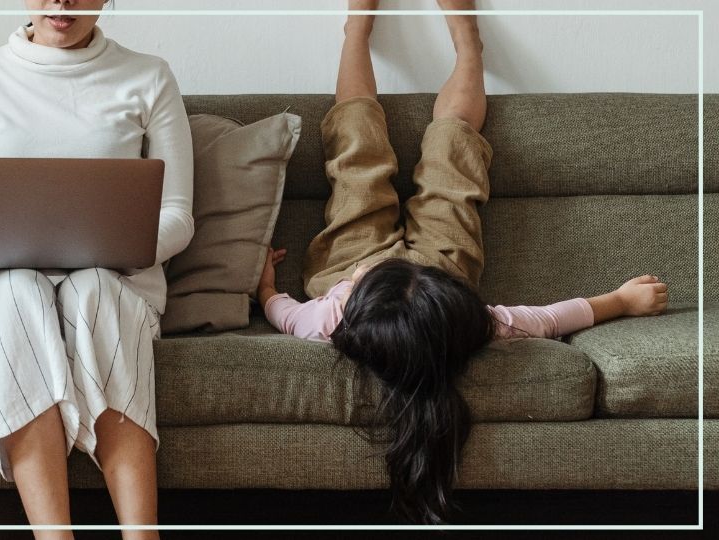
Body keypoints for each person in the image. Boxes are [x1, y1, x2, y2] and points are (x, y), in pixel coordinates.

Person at [257, 0, 670, 524]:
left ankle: (355, 33)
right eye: (372, 271)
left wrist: (265, 288)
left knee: (356, 150)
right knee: (454, 147)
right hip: (440, 272)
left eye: (368, 276)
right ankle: (468, 42)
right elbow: (549, 318)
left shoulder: (332, 317)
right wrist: (620, 300)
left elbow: (285, 314)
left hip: (352, 269)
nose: (376, 263)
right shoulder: (464, 320)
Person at [0, 1, 193, 538]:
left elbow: (178, 214)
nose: (63, 2)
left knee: (93, 291)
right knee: (22, 293)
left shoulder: (149, 76)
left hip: (112, 275)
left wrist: (122, 246)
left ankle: (143, 534)